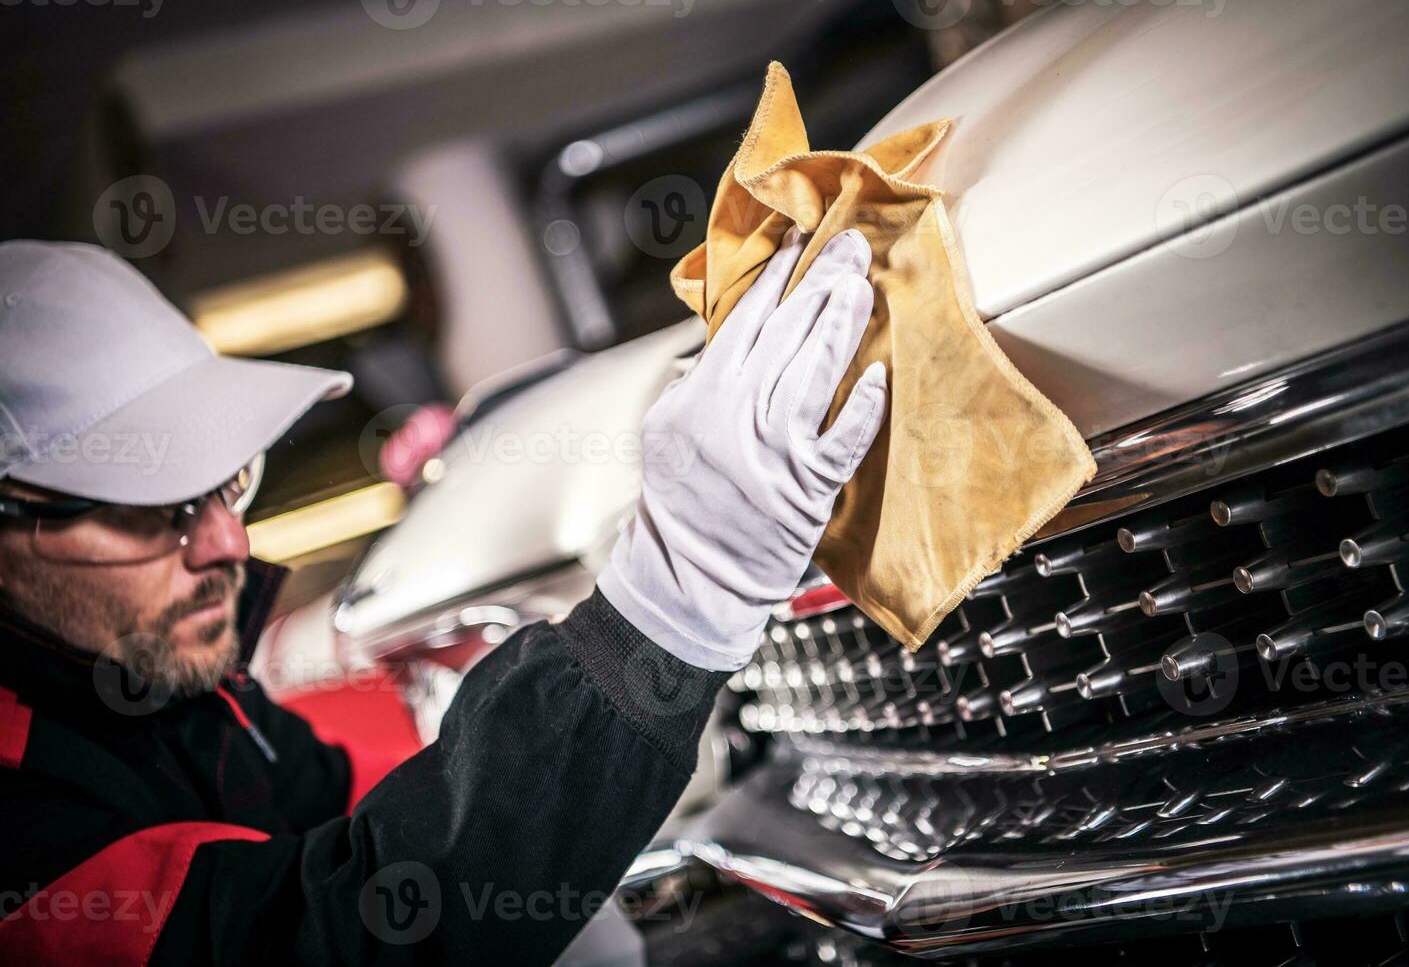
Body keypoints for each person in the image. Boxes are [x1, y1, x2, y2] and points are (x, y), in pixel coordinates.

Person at [0, 228, 886, 964]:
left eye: (229, 482)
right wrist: (674, 603)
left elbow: (358, 816)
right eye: (150, 511)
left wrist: (520, 715)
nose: (228, 541)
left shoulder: (180, 693)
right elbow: (346, 933)